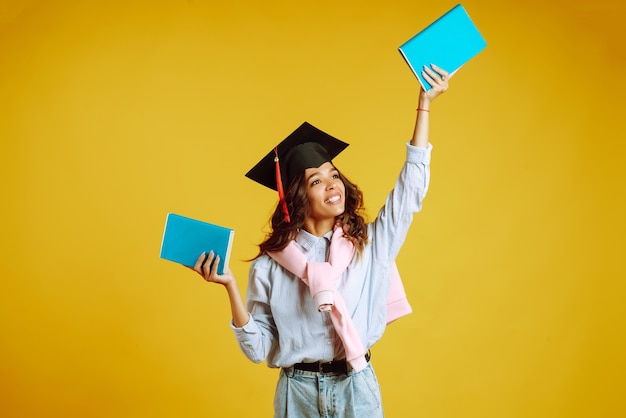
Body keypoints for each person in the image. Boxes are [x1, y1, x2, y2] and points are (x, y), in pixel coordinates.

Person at [192, 64, 450, 417]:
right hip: (296, 392)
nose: (333, 184)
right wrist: (230, 287)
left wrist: (424, 105)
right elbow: (258, 349)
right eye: (316, 180)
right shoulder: (271, 265)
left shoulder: (370, 245)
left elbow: (410, 190)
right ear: (297, 197)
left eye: (334, 175)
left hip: (355, 387)